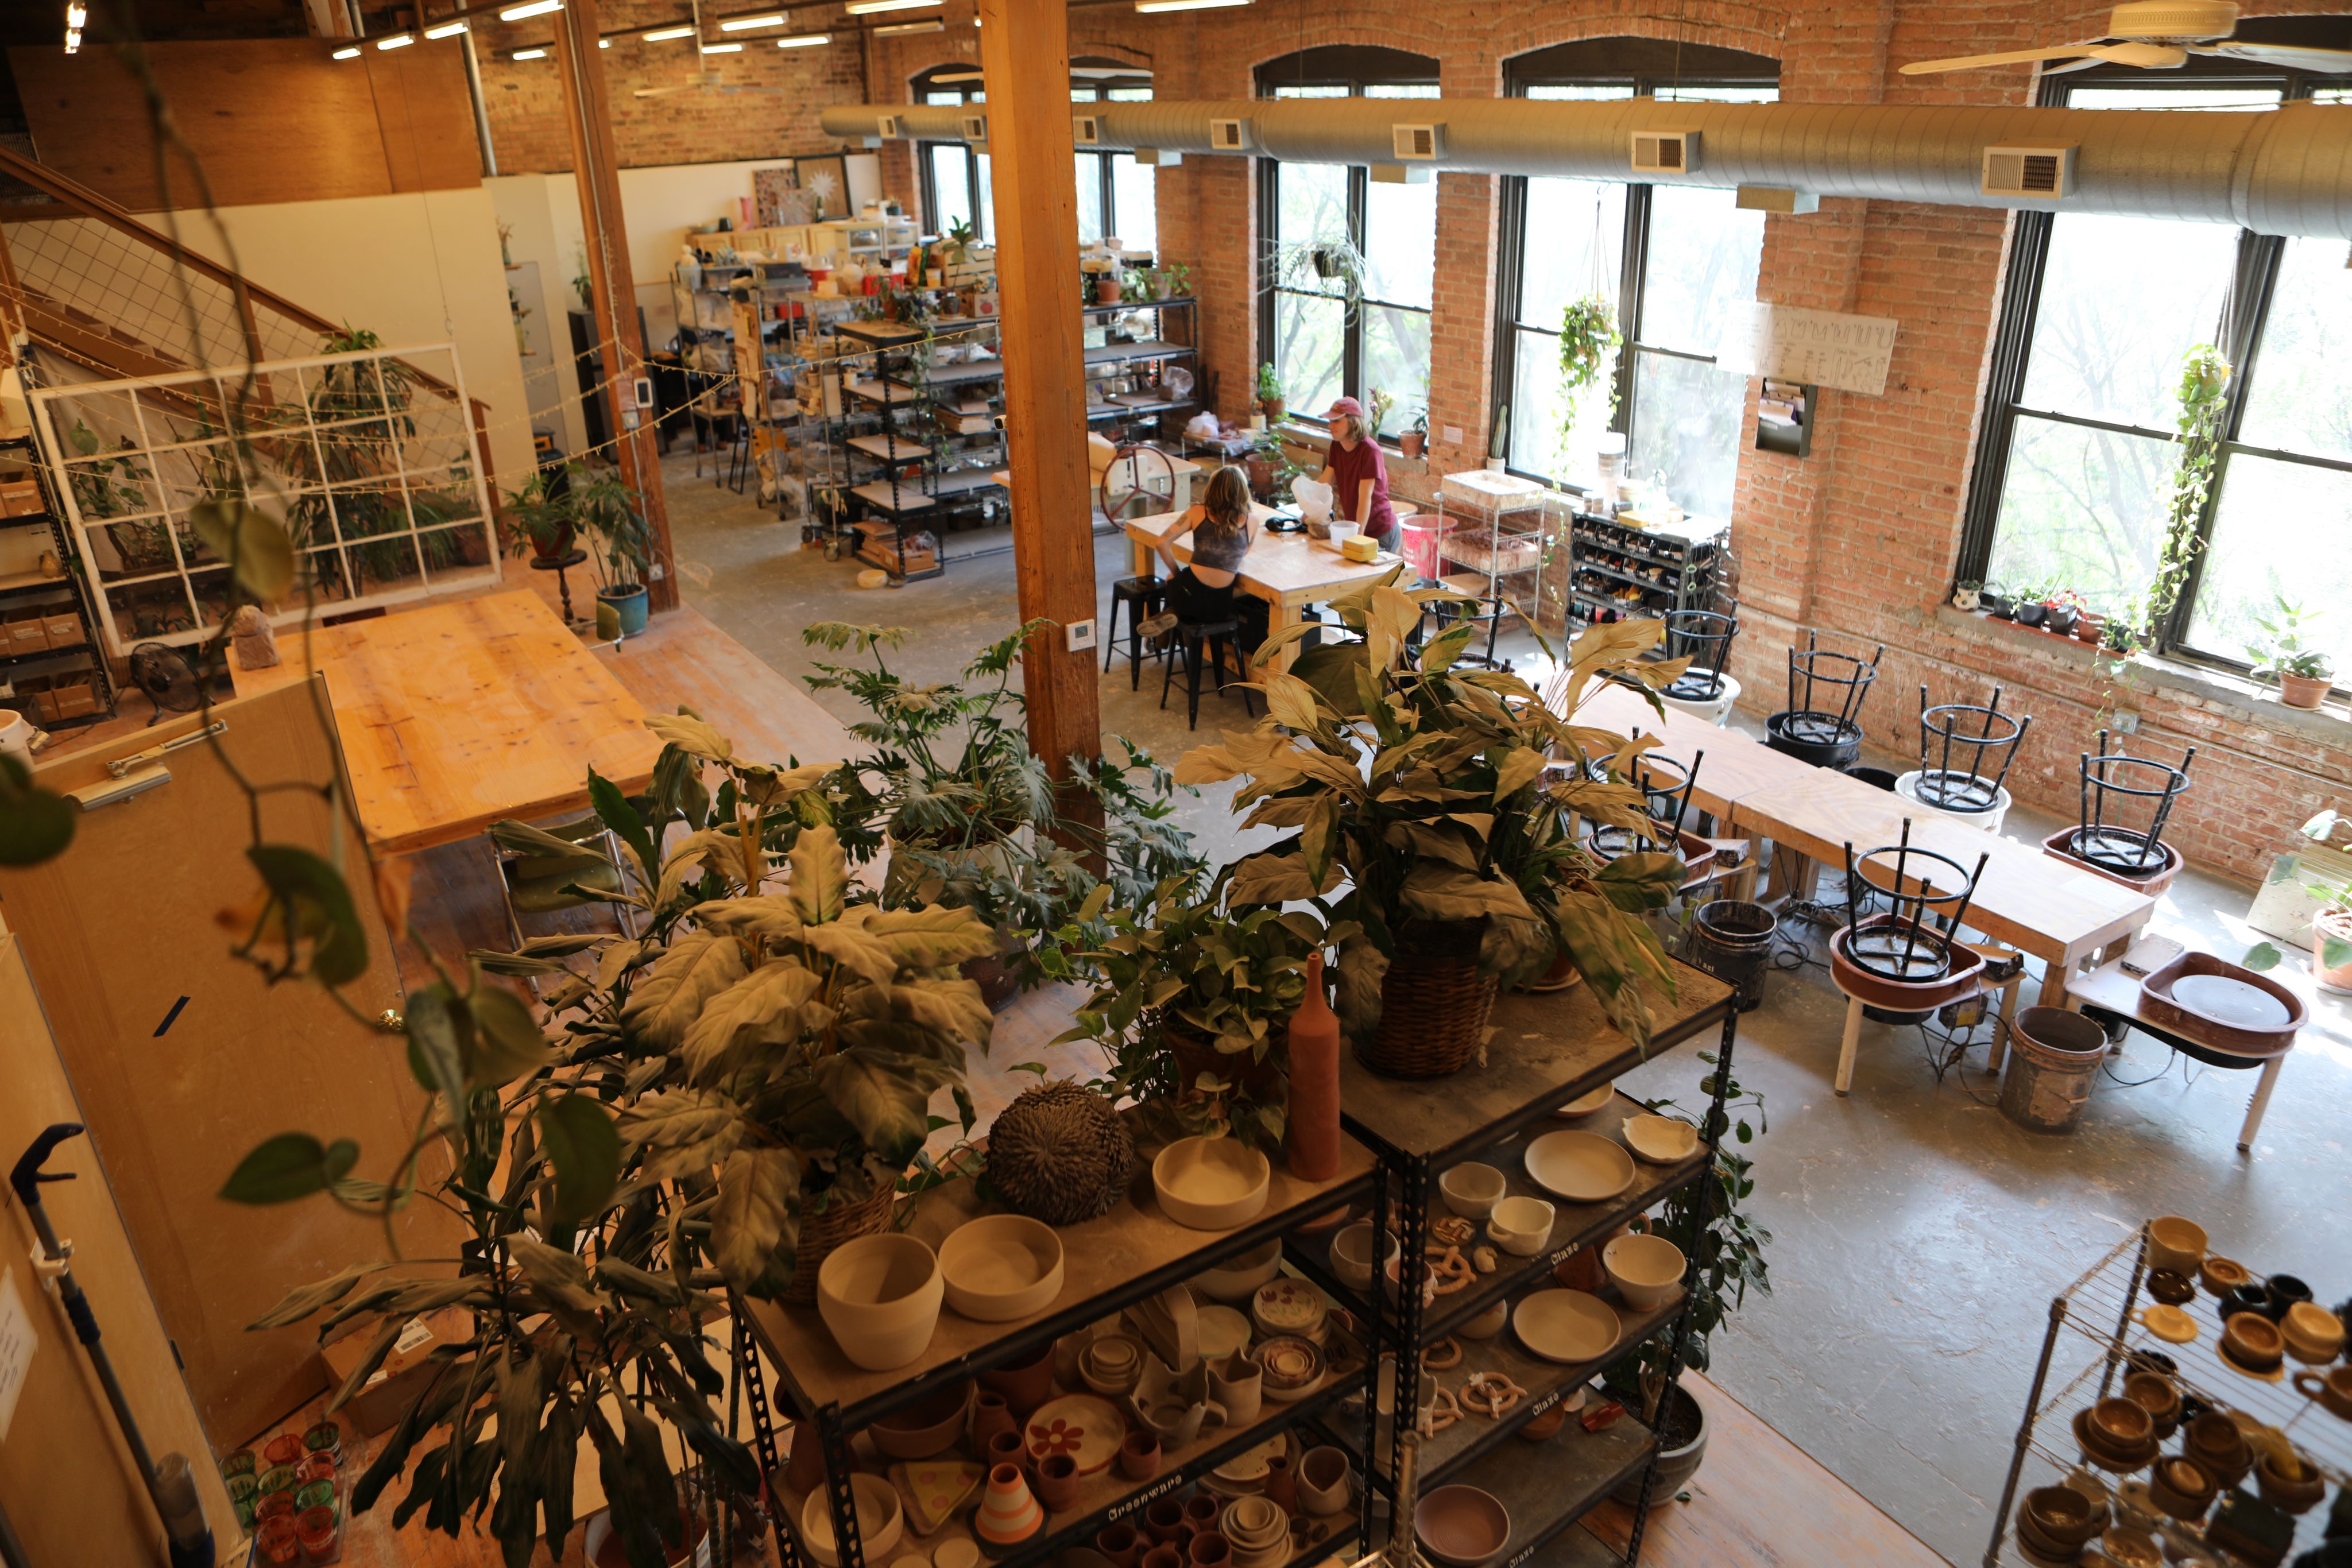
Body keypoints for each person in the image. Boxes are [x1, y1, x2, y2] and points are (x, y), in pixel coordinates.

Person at [1138, 464, 1269, 655]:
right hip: (1221, 605)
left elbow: (1161, 543)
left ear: (1212, 488)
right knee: (1195, 590)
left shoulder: (1198, 512)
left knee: (1173, 582)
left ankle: (1163, 635)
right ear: (1243, 491)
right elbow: (1244, 553)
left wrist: (1176, 574)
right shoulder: (1252, 520)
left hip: (1188, 595)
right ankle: (1171, 626)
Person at [1314, 395, 1397, 551]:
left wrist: (1359, 537)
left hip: (1380, 530)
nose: (1331, 426)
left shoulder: (1370, 451)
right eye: (1330, 421)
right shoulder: (1337, 447)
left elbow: (1365, 497)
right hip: (1356, 527)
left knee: (1374, 575)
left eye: (1337, 421)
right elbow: (1325, 484)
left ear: (1353, 422)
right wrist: (1307, 515)